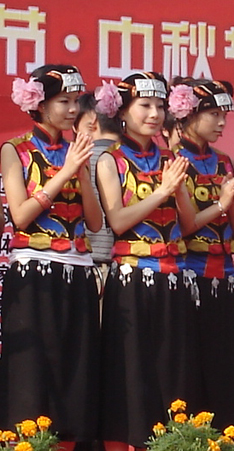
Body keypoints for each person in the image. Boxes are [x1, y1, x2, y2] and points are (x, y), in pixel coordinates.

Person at [95, 72, 234, 450]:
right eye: (145, 105)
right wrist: (163, 192)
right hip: (132, 279)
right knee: (131, 372)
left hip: (174, 278)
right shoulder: (110, 159)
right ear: (121, 110)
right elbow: (118, 221)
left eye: (160, 106)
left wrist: (222, 204)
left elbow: (187, 224)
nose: (154, 114)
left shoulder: (173, 159)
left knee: (173, 373)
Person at [0, 64, 100, 451]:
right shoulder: (16, 149)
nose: (73, 109)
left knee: (75, 373)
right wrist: (66, 171)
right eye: (64, 101)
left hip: (78, 270)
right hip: (34, 273)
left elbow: (95, 223)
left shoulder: (79, 151)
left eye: (76, 101)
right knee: (32, 374)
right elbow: (21, 215)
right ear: (39, 105)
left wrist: (83, 171)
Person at [167, 77, 234, 430]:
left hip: (225, 276)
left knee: (226, 371)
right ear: (188, 114)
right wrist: (222, 203)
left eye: (224, 115)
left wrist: (233, 202)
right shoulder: (174, 161)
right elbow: (183, 227)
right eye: (213, 114)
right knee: (190, 371)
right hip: (190, 276)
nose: (221, 123)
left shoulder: (224, 161)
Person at [74, 90, 120, 291]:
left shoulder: (76, 159)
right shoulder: (136, 161)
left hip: (86, 264)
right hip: (131, 267)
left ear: (92, 122)